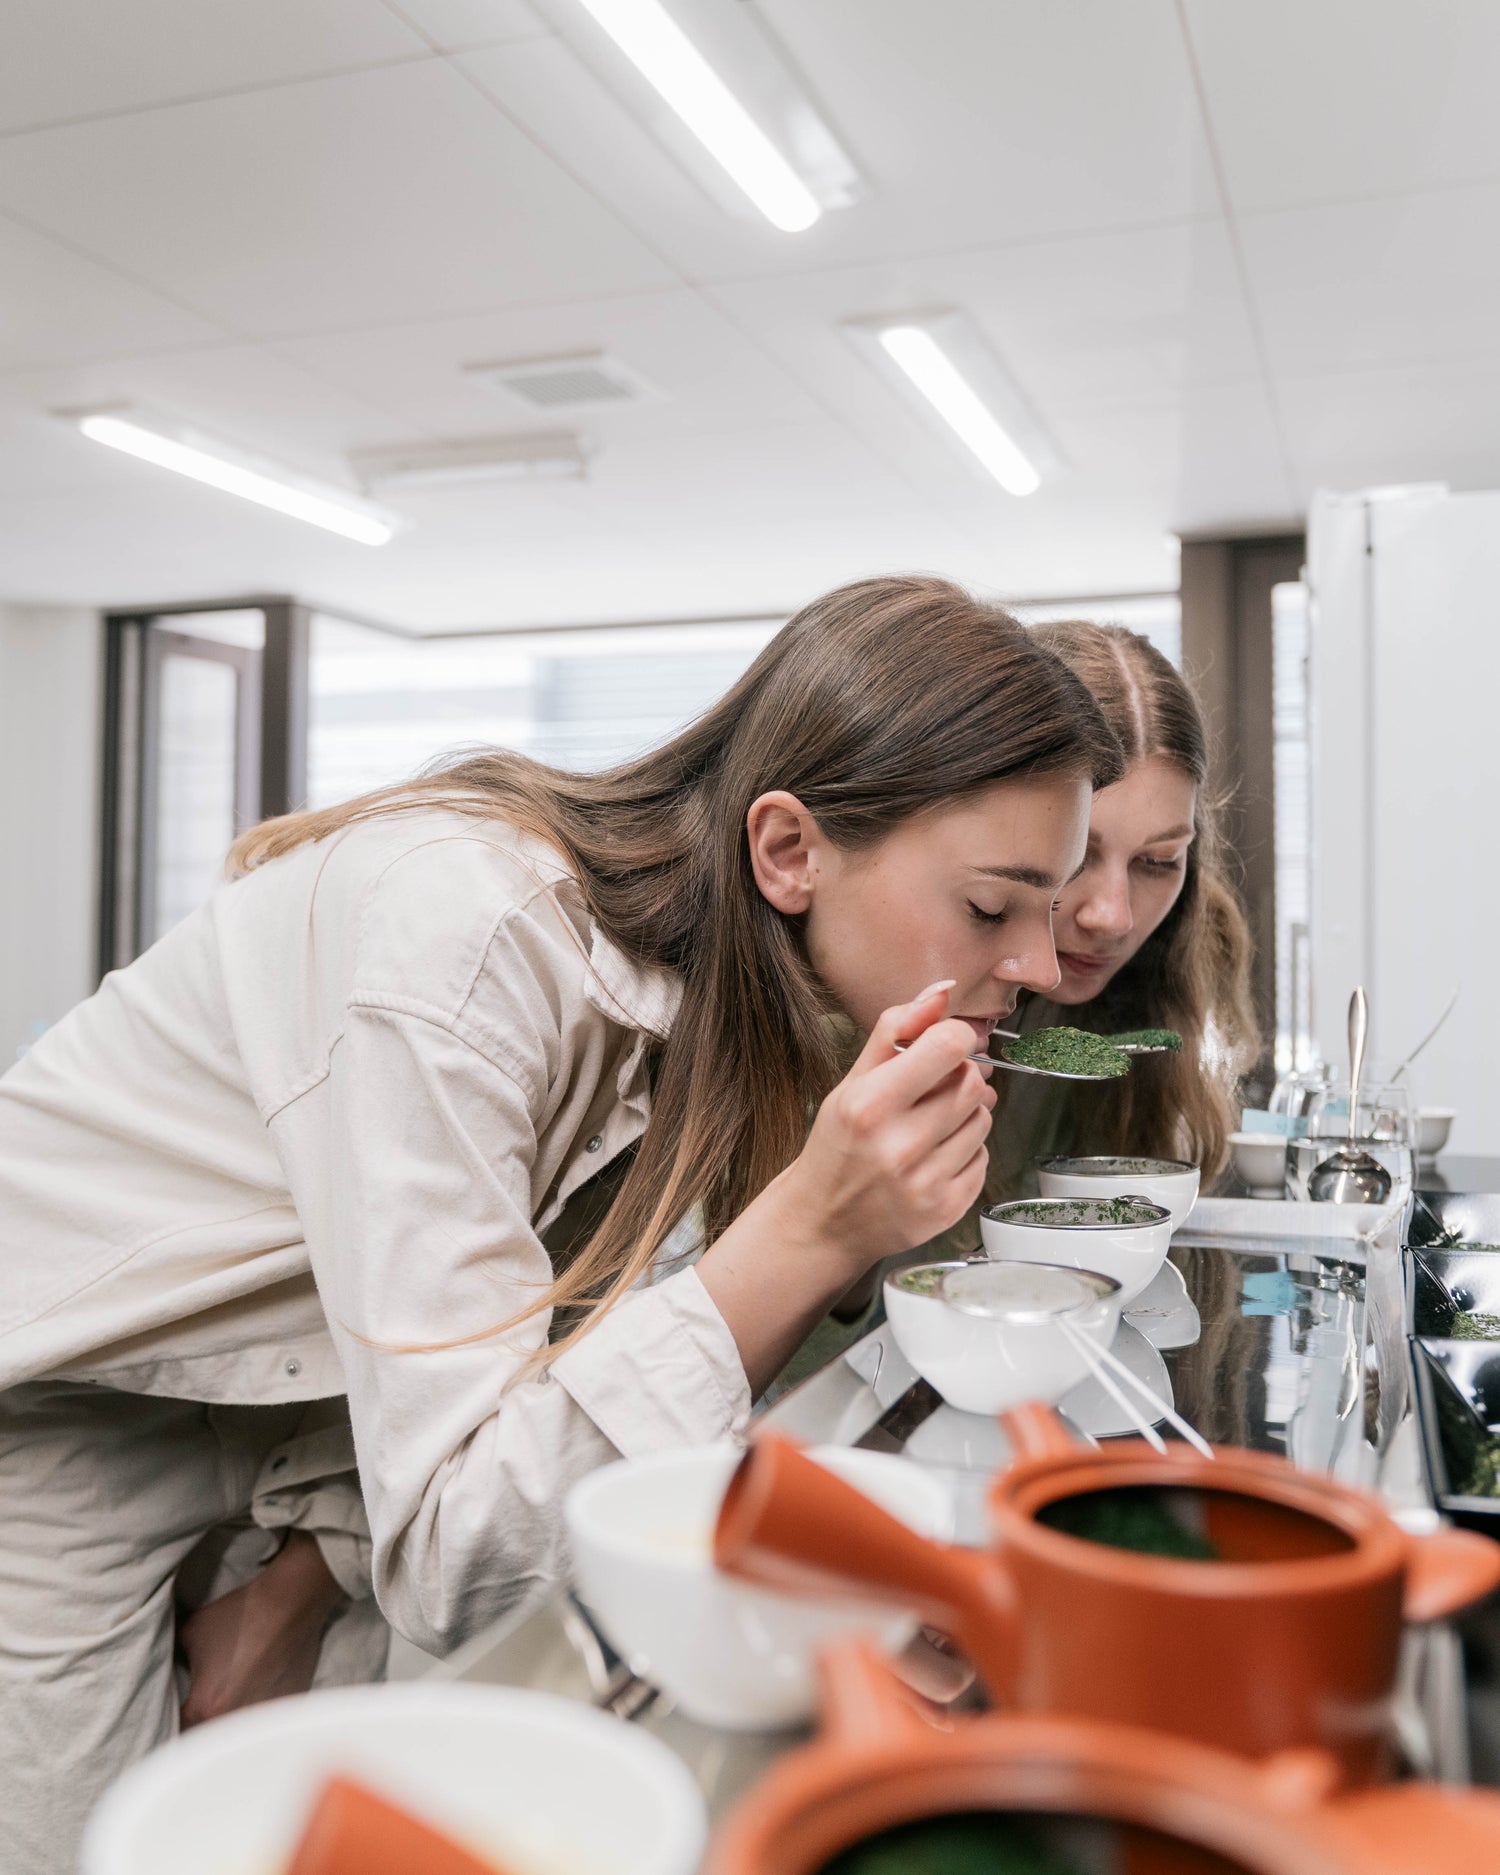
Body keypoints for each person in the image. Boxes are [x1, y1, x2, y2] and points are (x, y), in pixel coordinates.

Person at [0, 575, 1122, 1873]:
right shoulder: (463, 937)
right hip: (63, 1389)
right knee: (101, 1837)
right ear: (788, 848)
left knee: (331, 1780)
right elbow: (461, 1544)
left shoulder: (737, 986)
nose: (1044, 964)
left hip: (298, 1398)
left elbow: (527, 1390)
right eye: (996, 906)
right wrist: (810, 1231)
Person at [930, 618, 1258, 1246]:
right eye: (1076, 853)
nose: (1113, 917)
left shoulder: (1167, 974)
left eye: (1158, 862)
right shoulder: (883, 998)